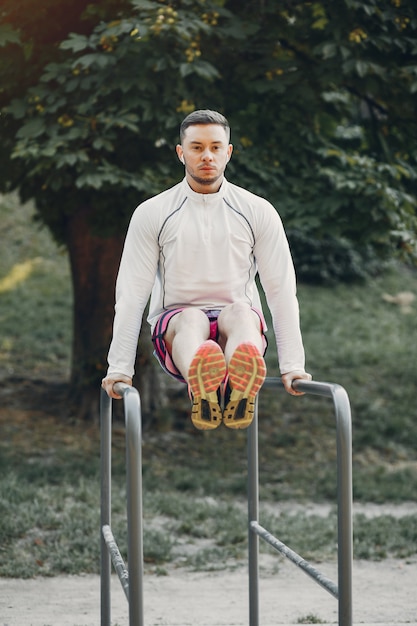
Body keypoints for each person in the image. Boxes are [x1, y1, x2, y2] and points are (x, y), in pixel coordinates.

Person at [102, 109, 311, 430]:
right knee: (191, 319)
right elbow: (131, 293)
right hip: (177, 325)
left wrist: (294, 365)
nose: (206, 156)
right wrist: (119, 367)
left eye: (215, 147)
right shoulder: (153, 213)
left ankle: (241, 385)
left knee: (242, 312)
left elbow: (281, 291)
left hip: (237, 324)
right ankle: (204, 386)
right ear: (181, 152)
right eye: (197, 147)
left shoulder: (257, 211)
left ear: (228, 152)